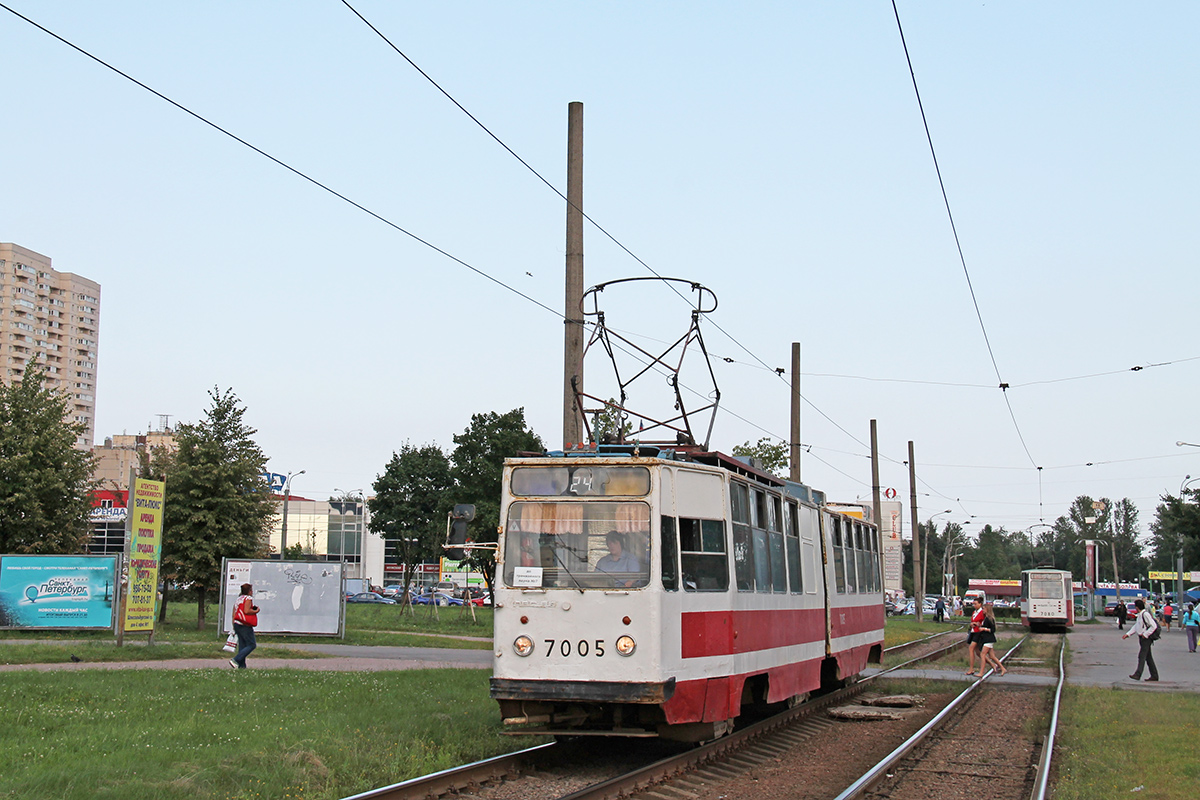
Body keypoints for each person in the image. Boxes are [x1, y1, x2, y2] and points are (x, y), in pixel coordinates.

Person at [1123, 598, 1159, 682]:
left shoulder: (1145, 614)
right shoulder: (1140, 615)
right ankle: (1154, 675)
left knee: (1141, 656)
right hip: (1141, 638)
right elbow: (1136, 626)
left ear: (1137, 607)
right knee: (1148, 658)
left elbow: (1153, 626)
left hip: (1146, 638)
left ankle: (1138, 674)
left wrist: (1145, 634)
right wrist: (1128, 634)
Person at [230, 583, 259, 669]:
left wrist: (233, 625)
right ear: (249, 591)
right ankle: (236, 659)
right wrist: (256, 611)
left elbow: (234, 613)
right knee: (252, 644)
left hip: (237, 623)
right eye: (251, 590)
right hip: (244, 624)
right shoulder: (248, 598)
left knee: (242, 645)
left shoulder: (239, 599)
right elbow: (246, 611)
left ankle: (241, 666)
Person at [974, 602, 1007, 676]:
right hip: (986, 639)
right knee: (992, 656)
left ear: (987, 610)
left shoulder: (989, 619)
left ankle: (981, 672)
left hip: (988, 639)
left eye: (983, 609)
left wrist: (984, 629)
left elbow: (993, 630)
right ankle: (1002, 668)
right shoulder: (985, 618)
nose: (982, 610)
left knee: (982, 655)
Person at [965, 597, 984, 676]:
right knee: (978, 652)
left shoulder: (982, 612)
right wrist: (972, 624)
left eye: (976, 604)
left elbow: (983, 622)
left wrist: (977, 624)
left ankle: (971, 668)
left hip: (978, 632)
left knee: (971, 648)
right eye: (974, 604)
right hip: (973, 631)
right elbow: (973, 621)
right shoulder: (974, 612)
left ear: (980, 604)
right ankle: (993, 664)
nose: (974, 605)